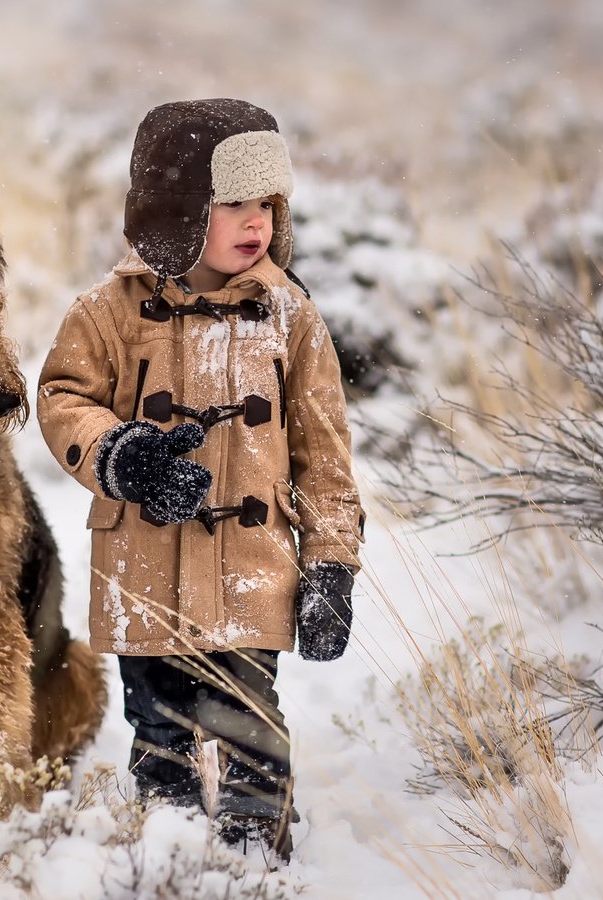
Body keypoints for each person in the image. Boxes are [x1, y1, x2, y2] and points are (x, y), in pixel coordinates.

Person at [36, 98, 364, 863]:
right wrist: (122, 453)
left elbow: (326, 456)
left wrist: (332, 566)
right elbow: (61, 399)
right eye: (233, 204)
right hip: (143, 572)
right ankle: (171, 852)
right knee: (161, 731)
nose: (256, 222)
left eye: (267, 204)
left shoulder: (290, 317)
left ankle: (255, 856)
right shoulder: (109, 312)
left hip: (250, 572)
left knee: (248, 720)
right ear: (177, 210)